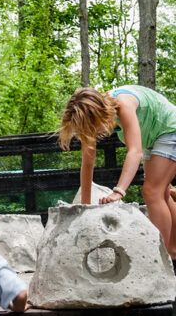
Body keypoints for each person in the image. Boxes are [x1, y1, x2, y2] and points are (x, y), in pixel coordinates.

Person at [58, 85, 176, 261]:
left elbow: (134, 151)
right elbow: (88, 163)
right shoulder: (93, 120)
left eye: (92, 127)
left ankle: (161, 258)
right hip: (152, 138)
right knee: (163, 193)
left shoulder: (123, 103)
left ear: (99, 113)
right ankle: (173, 252)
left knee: (152, 192)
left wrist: (118, 191)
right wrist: (85, 207)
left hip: (169, 129)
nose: (94, 132)